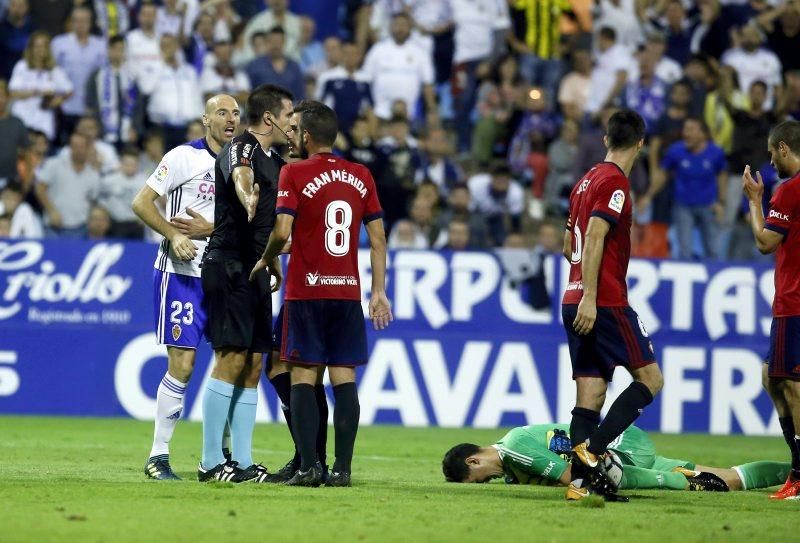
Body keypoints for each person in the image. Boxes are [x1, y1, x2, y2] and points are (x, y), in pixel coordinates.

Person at [250, 100, 392, 486]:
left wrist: (266, 258)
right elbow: (378, 238)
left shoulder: (294, 174)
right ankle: (342, 471)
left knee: (303, 375)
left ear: (308, 136)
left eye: (296, 131)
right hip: (347, 293)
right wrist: (379, 291)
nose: (291, 137)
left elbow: (282, 232)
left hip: (306, 292)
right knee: (343, 378)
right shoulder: (361, 175)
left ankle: (310, 466)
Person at [131, 94, 241, 480]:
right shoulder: (182, 157)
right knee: (183, 363)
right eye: (222, 112)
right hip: (182, 273)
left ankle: (219, 458)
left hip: (225, 276)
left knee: (229, 365)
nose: (230, 119)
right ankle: (157, 456)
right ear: (206, 119)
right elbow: (142, 203)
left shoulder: (243, 165)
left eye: (236, 113)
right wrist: (170, 235)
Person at [561, 109, 664, 501]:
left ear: (606, 139)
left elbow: (569, 244)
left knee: (590, 395)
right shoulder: (615, 183)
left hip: (572, 299)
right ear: (641, 142)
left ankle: (579, 486)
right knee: (651, 379)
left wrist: (579, 289)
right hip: (601, 301)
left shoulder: (583, 183)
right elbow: (595, 235)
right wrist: (591, 294)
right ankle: (594, 452)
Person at [198, 84, 294, 483]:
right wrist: (245, 194)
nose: (294, 123)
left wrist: (271, 260)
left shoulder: (276, 161)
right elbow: (240, 174)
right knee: (232, 357)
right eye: (289, 115)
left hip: (254, 269)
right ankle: (209, 462)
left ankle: (242, 460)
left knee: (254, 363)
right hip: (229, 265)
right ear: (270, 118)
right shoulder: (243, 147)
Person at [442, 423, 790, 493]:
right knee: (731, 479)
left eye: (482, 478)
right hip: (624, 448)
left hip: (623, 443)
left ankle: (682, 484)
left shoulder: (514, 446)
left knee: (604, 477)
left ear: (474, 460)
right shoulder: (512, 471)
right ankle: (795, 471)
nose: (491, 481)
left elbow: (568, 476)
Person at [742, 119, 800, 500]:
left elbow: (765, 243)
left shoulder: (788, 191)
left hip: (793, 302)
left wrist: (753, 201)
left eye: (771, 154)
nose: (771, 162)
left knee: (792, 387)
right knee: (772, 377)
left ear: (783, 148)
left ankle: (799, 474)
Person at [641, 117, 728, 260]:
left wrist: (722, 202)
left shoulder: (716, 152)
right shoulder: (675, 151)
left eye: (691, 130)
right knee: (684, 250)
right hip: (683, 206)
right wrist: (648, 196)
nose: (685, 133)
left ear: (703, 134)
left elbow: (722, 176)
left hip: (709, 205)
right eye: (685, 129)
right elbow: (662, 175)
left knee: (712, 250)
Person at [51, 6, 107, 142]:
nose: (80, 24)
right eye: (76, 20)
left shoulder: (101, 46)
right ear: (71, 22)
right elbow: (51, 72)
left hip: (91, 109)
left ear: (91, 22)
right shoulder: (59, 43)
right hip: (65, 106)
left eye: (84, 20)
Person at [142, 34, 204, 151]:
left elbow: (197, 98)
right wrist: (161, 62)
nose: (167, 48)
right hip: (162, 128)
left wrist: (201, 122)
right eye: (164, 45)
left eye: (170, 44)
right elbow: (146, 88)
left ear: (176, 46)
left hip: (187, 129)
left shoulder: (189, 71)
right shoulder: (153, 68)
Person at [8, 30, 72, 141]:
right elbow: (13, 92)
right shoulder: (22, 66)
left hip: (43, 120)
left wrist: (56, 101)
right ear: (31, 48)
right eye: (36, 46)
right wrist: (39, 92)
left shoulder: (54, 70)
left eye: (43, 46)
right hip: (22, 117)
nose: (40, 50)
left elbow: (69, 90)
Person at [35, 132, 101, 238]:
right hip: (53, 227)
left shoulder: (93, 174)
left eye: (81, 146)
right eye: (73, 146)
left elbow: (93, 200)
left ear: (89, 148)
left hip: (80, 228)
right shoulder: (54, 164)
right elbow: (40, 188)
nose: (77, 150)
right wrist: (51, 210)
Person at [85, 35, 138, 148]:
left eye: (121, 49)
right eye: (114, 48)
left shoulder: (131, 76)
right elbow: (90, 104)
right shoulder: (98, 75)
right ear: (108, 50)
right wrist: (95, 128)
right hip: (103, 132)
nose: (117, 53)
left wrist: (136, 128)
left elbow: (139, 106)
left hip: (127, 132)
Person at [245, 26, 304, 100]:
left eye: (278, 42)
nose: (276, 45)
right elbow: (247, 94)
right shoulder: (254, 66)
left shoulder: (294, 67)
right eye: (273, 42)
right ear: (267, 42)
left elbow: (301, 96)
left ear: (284, 42)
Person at [0, 80, 29, 187]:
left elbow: (28, 157)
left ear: (8, 98)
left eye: (1, 96)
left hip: (10, 183)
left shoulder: (17, 123)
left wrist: (25, 185)